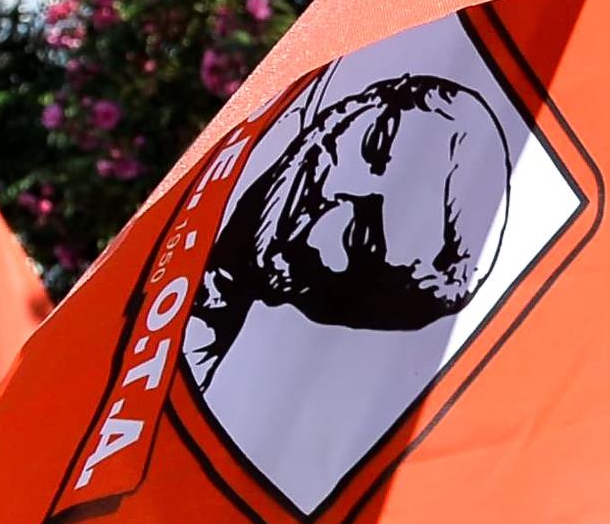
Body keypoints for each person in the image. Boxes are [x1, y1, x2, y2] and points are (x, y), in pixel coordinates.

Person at [190, 72, 516, 386]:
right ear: (371, 99)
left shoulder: (195, 347)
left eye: (360, 237)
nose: (341, 191)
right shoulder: (289, 84)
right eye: (374, 144)